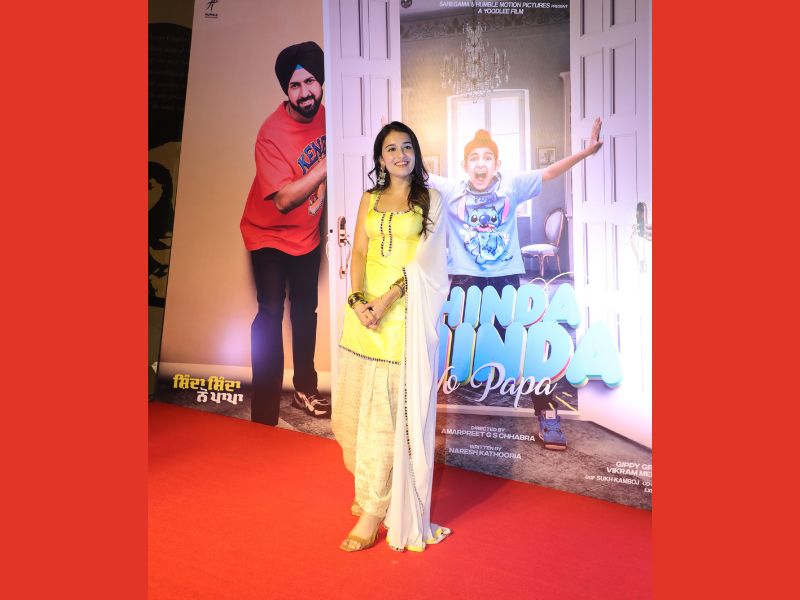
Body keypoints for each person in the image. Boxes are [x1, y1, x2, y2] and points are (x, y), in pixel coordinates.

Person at [428, 118, 603, 450]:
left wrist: (586, 152)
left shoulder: (512, 185)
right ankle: (427, 418)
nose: (481, 164)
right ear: (464, 165)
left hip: (505, 280)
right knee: (446, 349)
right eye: (474, 158)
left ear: (497, 164)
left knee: (525, 349)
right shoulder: (452, 190)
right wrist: (387, 139)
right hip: (464, 282)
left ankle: (547, 415)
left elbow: (550, 172)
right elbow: (415, 172)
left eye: (487, 158)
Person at [332, 122, 451, 552]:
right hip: (363, 317)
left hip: (402, 318)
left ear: (416, 154)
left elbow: (428, 265)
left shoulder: (431, 200)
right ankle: (370, 488)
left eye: (407, 147)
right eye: (391, 149)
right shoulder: (369, 198)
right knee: (351, 418)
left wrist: (385, 301)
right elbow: (360, 252)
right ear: (380, 159)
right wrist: (358, 300)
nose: (400, 155)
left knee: (385, 421)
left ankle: (373, 510)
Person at [240, 41, 329, 425]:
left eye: (310, 82)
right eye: (295, 85)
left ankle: (305, 390)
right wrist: (323, 167)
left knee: (305, 311)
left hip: (307, 235)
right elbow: (283, 200)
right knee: (270, 312)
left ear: (321, 82)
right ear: (286, 91)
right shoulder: (271, 133)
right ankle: (264, 410)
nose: (304, 92)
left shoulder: (330, 118)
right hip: (268, 236)